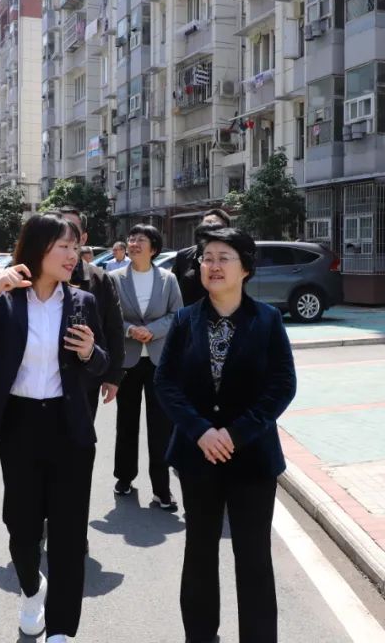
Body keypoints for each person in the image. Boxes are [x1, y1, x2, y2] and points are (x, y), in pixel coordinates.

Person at [0, 213, 108, 643]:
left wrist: (91, 353)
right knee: (22, 526)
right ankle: (32, 588)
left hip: (70, 428)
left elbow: (102, 364)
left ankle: (62, 631)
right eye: (63, 247)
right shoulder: (7, 301)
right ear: (38, 249)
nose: (73, 256)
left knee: (69, 533)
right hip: (20, 425)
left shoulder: (83, 301)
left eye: (75, 247)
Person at [155, 227, 296, 643]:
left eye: (223, 258)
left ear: (245, 268)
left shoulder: (267, 320)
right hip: (197, 456)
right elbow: (166, 384)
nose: (213, 266)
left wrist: (236, 433)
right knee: (199, 551)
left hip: (252, 458)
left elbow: (282, 386)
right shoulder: (185, 320)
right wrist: (200, 431)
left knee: (253, 556)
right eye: (207, 258)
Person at [108, 224, 182, 510]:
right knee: (126, 423)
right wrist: (130, 330)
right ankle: (124, 477)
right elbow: (109, 316)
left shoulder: (168, 279)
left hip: (158, 361)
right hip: (127, 361)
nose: (134, 243)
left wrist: (152, 330)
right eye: (131, 238)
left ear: (154, 248)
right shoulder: (115, 278)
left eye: (141, 239)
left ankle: (161, 489)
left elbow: (177, 314)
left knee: (160, 426)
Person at [56, 207, 125, 415]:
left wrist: (113, 376)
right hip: (42, 385)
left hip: (85, 382)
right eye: (58, 228)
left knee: (81, 434)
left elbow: (114, 329)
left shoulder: (99, 279)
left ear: (83, 238)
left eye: (71, 229)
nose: (64, 234)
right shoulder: (36, 277)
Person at [171, 208, 231, 307]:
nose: (209, 226)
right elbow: (172, 291)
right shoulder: (183, 256)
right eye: (207, 222)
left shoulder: (232, 257)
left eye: (214, 224)